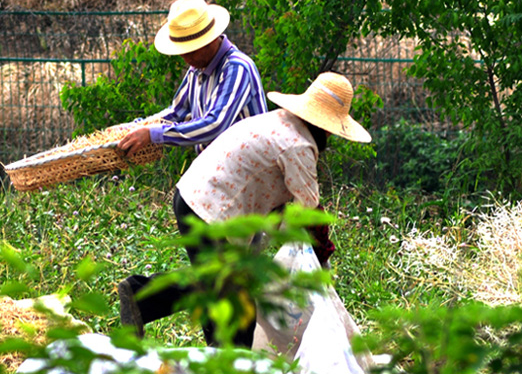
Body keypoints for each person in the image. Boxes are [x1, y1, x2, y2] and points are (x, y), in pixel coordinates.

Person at [118, 72, 372, 348]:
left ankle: (145, 298)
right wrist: (322, 255)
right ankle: (146, 301)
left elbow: (270, 191)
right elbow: (312, 215)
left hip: (195, 197)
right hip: (208, 207)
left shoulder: (280, 121)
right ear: (327, 127)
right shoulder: (299, 146)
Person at [118, 0, 267, 157]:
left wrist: (154, 135)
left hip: (250, 170)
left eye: (191, 50)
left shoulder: (237, 68)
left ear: (210, 39)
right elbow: (176, 113)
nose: (186, 57)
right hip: (219, 169)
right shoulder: (197, 69)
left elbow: (215, 124)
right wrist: (132, 129)